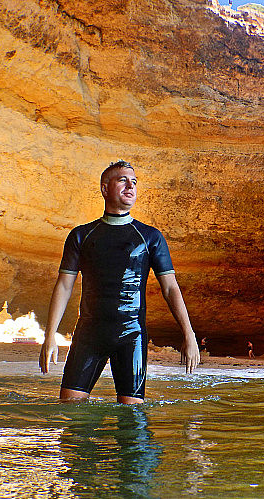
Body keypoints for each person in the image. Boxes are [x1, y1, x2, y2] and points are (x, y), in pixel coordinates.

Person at [39, 160, 200, 404]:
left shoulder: (150, 237)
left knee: (131, 421)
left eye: (134, 182)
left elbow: (170, 288)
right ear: (105, 188)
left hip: (131, 336)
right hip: (89, 334)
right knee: (71, 413)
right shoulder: (81, 235)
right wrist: (49, 335)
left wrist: (189, 335)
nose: (130, 186)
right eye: (122, 180)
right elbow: (64, 285)